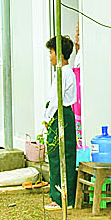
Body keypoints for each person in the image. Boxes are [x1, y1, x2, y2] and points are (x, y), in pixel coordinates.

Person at [42, 35, 77, 210]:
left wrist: (47, 119)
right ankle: (63, 196)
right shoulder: (62, 73)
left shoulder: (63, 74)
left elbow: (56, 101)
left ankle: (61, 197)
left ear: (60, 55)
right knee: (62, 154)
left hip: (60, 114)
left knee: (59, 156)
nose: (50, 56)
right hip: (63, 114)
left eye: (52, 52)